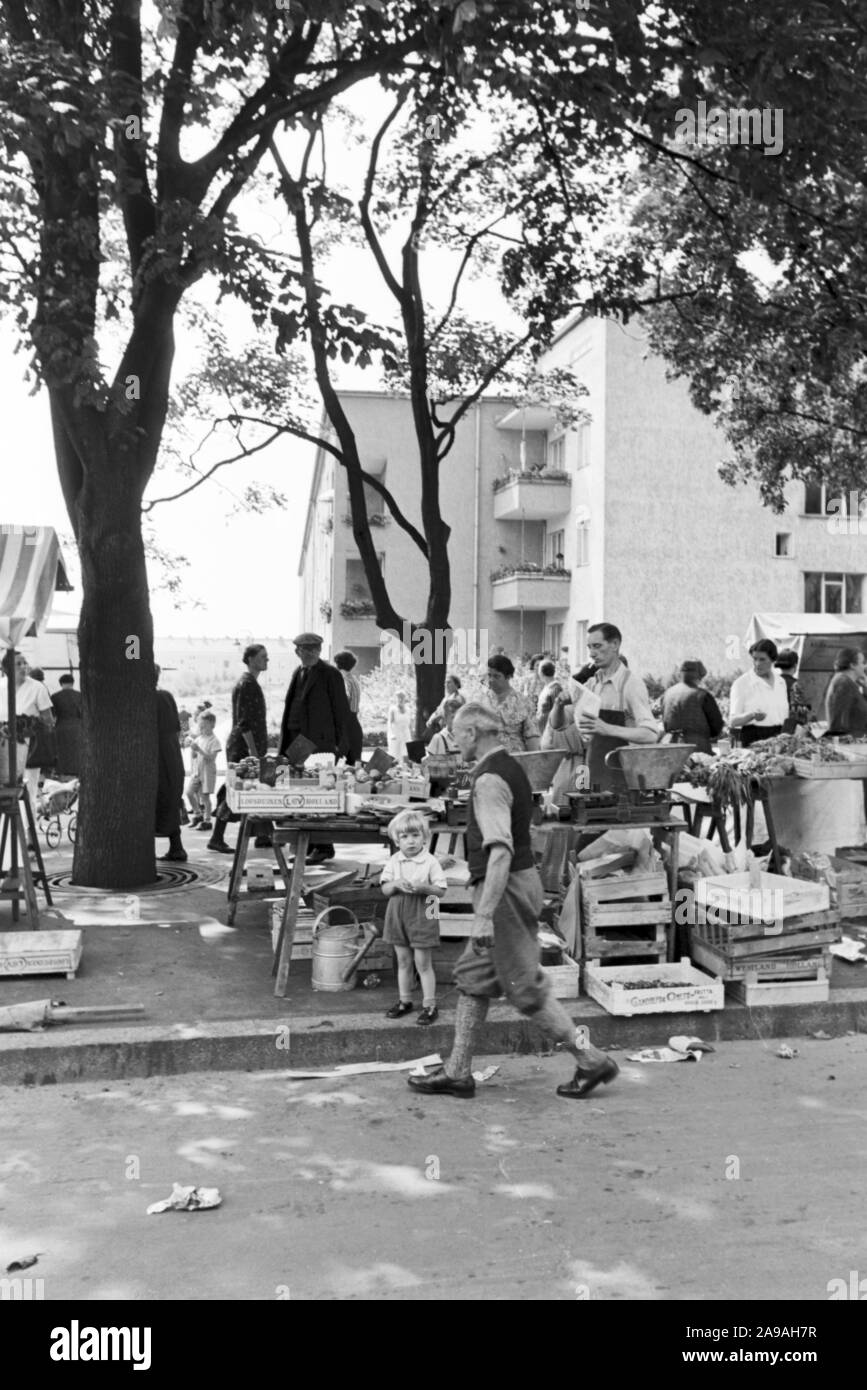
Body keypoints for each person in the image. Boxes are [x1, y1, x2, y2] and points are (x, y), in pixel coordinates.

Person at [408, 703, 618, 1100]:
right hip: (515, 883)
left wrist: (485, 914)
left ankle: (592, 1061)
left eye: (457, 734)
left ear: (472, 733)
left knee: (525, 987)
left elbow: (500, 850)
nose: (454, 742)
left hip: (504, 889)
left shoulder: (489, 781)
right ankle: (457, 1072)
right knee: (474, 978)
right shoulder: (511, 767)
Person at [550, 624, 657, 792]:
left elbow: (651, 734)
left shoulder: (631, 685)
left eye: (598, 646)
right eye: (590, 647)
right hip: (589, 770)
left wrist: (607, 728)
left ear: (615, 645)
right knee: (580, 809)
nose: (592, 653)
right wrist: (558, 704)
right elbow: (559, 724)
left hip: (620, 778)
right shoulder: (593, 683)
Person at [278, 633, 351, 865]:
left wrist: (342, 743)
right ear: (297, 651)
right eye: (305, 649)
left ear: (319, 651)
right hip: (296, 741)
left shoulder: (330, 674)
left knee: (318, 793)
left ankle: (323, 846)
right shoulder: (297, 673)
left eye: (314, 649)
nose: (310, 653)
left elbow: (341, 710)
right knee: (298, 790)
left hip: (318, 743)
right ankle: (304, 842)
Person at [379, 809, 448, 1026]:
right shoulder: (394, 860)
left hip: (426, 908)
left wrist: (424, 887)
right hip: (398, 910)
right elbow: (385, 889)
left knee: (423, 962)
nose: (410, 841)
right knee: (403, 960)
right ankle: (404, 1001)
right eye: (405, 837)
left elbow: (441, 891)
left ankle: (430, 1005)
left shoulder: (431, 862)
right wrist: (395, 884)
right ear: (396, 840)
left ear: (424, 837)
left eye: (415, 835)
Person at [208, 644, 270, 854]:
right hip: (243, 747)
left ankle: (262, 834)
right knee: (236, 789)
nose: (267, 660)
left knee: (253, 787)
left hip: (244, 746)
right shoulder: (247, 684)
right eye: (262, 657)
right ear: (250, 659)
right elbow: (244, 723)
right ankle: (217, 837)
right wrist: (253, 752)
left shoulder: (249, 682)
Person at [1, 651, 54, 821]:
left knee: (29, 789)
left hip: (29, 745)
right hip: (3, 744)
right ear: (6, 668)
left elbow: (48, 720)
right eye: (18, 664)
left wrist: (29, 722)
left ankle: (28, 836)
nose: (24, 666)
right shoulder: (1, 685)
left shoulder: (37, 687)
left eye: (25, 663)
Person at [729, 639, 790, 747]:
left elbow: (783, 716)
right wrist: (751, 715)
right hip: (753, 740)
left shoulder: (781, 682)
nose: (757, 664)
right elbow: (733, 721)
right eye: (755, 659)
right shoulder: (742, 683)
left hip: (779, 739)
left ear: (772, 660)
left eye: (762, 659)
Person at [155, 665, 186, 863]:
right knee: (171, 799)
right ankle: (177, 847)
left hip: (157, 753)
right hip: (172, 753)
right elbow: (177, 728)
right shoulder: (166, 695)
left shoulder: (144, 699)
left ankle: (176, 848)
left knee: (157, 799)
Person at [481, 653, 541, 753]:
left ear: (508, 677)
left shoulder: (524, 702)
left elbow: (532, 738)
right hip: (488, 760)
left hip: (515, 760)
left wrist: (532, 763)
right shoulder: (482, 700)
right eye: (489, 675)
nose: (491, 680)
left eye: (497, 676)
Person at [661, 660, 724, 755]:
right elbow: (716, 727)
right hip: (696, 748)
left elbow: (665, 721)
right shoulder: (702, 695)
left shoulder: (667, 694)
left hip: (670, 747)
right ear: (699, 676)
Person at [186, 710, 221, 830]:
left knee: (204, 797)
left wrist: (199, 750)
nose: (201, 729)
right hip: (197, 772)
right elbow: (195, 756)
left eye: (204, 726)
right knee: (190, 793)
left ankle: (207, 820)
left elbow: (211, 758)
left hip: (207, 773)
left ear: (212, 725)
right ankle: (197, 814)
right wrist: (193, 750)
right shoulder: (199, 738)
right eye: (200, 726)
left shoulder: (214, 741)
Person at [23, 664, 57, 782]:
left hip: (35, 726)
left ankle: (38, 783)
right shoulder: (43, 687)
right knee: (42, 757)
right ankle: (42, 781)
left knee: (34, 758)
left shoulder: (34, 688)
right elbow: (49, 712)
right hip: (42, 727)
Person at [825, 648, 867, 735]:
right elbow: (838, 724)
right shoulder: (843, 683)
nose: (865, 666)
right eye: (863, 663)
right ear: (852, 665)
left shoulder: (847, 682)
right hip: (850, 745)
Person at [334, 650, 363, 764]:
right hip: (354, 724)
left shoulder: (342, 679)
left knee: (335, 765)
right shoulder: (354, 680)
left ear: (337, 664)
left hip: (344, 725)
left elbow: (343, 701)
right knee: (355, 764)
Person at [52, 673, 82, 777]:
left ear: (61, 683)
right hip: (77, 726)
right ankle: (77, 770)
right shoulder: (80, 695)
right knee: (76, 750)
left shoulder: (55, 697)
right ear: (73, 683)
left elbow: (53, 714)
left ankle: (63, 771)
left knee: (62, 750)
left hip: (61, 726)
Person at [774, 649, 812, 731]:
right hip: (790, 728)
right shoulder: (797, 685)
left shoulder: (772, 683)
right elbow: (802, 713)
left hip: (772, 726)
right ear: (795, 665)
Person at [536, 660, 562, 735]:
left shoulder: (556, 689)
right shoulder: (547, 686)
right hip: (542, 728)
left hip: (549, 730)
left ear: (541, 673)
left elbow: (557, 712)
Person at [387, 689, 413, 761]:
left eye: (402, 697)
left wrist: (411, 735)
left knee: (406, 755)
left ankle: (406, 770)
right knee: (395, 756)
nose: (401, 699)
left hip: (406, 735)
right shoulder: (393, 709)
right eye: (399, 697)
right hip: (396, 735)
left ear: (405, 698)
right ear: (396, 698)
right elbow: (390, 723)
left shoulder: (408, 709)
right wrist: (392, 734)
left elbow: (410, 724)